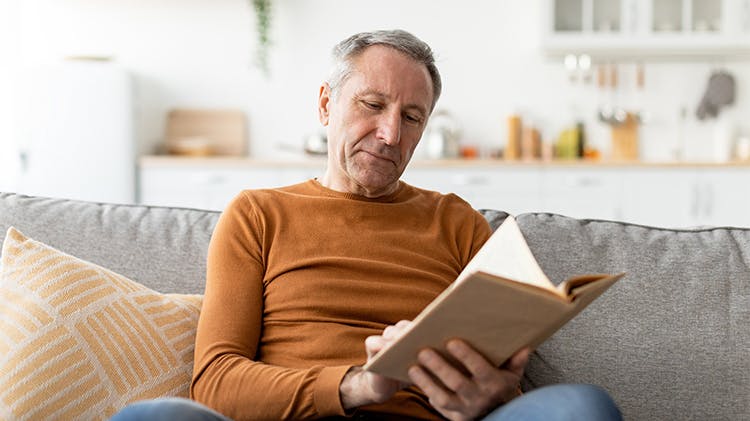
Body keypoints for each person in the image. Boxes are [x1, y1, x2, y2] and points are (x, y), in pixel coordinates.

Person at [112, 29, 621, 421]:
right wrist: (357, 385)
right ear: (326, 104)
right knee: (152, 416)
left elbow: (506, 381)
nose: (390, 133)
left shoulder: (458, 224)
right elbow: (217, 381)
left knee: (582, 406)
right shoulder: (257, 214)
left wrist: (492, 396)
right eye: (373, 105)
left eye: (413, 117)